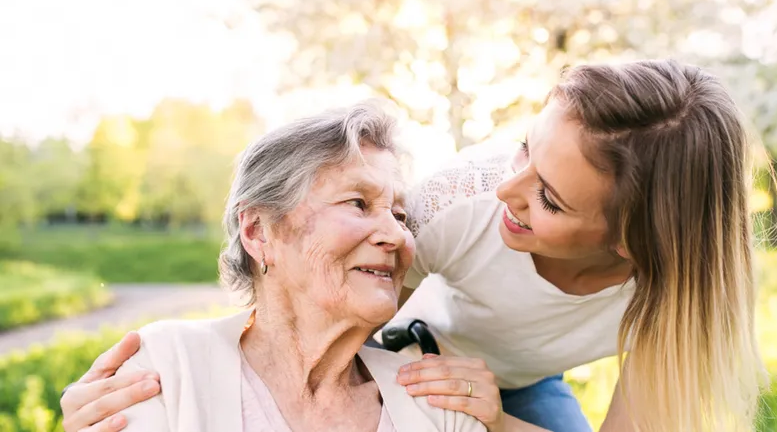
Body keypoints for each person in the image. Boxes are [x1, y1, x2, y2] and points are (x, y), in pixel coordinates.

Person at [61, 60, 769, 432]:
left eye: (549, 198)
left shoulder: (685, 286)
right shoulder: (457, 200)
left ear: (635, 245)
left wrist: (492, 418)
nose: (507, 190)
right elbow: (318, 296)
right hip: (426, 343)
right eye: (524, 148)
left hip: (510, 386)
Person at [60, 101, 489, 432]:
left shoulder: (437, 402)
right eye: (358, 203)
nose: (396, 236)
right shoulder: (166, 367)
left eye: (399, 216)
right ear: (259, 232)